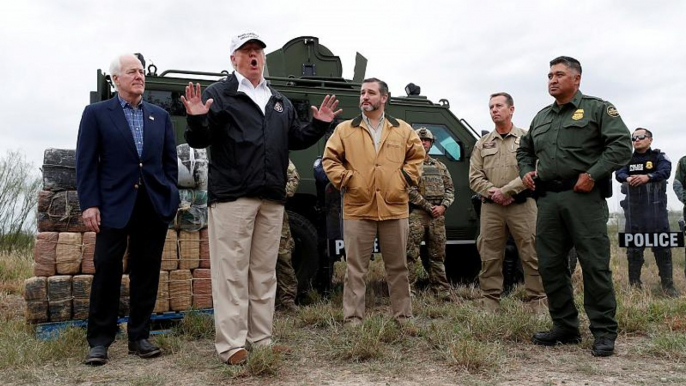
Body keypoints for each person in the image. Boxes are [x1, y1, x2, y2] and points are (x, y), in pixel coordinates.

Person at [182, 32, 341, 365]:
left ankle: (261, 339)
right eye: (246, 51)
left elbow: (294, 138)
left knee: (264, 272)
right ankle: (231, 345)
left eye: (257, 51)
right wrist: (197, 117)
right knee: (232, 273)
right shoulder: (219, 95)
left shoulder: (277, 99)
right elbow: (201, 139)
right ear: (233, 59)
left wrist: (318, 125)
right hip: (233, 199)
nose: (253, 55)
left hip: (272, 198)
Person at [517, 56, 632, 357]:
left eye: (559, 75)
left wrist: (593, 174)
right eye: (549, 75)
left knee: (594, 266)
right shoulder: (541, 117)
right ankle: (565, 327)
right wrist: (526, 170)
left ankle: (604, 332)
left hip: (584, 198)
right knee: (550, 265)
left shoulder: (597, 108)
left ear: (576, 79)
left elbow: (621, 146)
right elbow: (524, 150)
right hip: (549, 200)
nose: (552, 80)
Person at [76, 53, 180, 365]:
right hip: (112, 206)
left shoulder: (159, 116)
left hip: (152, 206)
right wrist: (90, 204)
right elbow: (86, 164)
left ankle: (139, 337)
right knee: (106, 270)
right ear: (116, 79)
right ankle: (100, 341)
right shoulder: (96, 114)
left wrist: (170, 196)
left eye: (140, 72)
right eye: (131, 72)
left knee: (146, 272)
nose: (139, 76)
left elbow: (168, 164)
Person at [323, 77, 425, 326]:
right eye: (362, 93)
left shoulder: (402, 129)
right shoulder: (345, 129)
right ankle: (353, 319)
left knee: (398, 267)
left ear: (384, 98)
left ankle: (404, 317)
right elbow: (330, 160)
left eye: (370, 93)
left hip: (394, 206)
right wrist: (348, 180)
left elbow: (417, 157)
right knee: (355, 269)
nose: (364, 97)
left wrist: (402, 179)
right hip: (358, 207)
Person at [469, 92, 546, 312]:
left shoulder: (526, 138)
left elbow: (535, 168)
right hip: (492, 207)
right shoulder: (482, 143)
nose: (494, 110)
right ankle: (490, 305)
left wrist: (508, 191)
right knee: (489, 255)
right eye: (491, 107)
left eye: (499, 106)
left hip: (522, 205)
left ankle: (539, 303)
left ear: (511, 109)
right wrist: (494, 192)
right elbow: (474, 177)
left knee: (532, 253)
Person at [615, 128, 678, 296]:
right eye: (633, 138)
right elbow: (619, 173)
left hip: (656, 212)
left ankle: (668, 286)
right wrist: (628, 178)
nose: (636, 140)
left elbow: (665, 171)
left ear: (650, 139)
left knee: (662, 248)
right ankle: (635, 286)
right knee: (634, 250)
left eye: (640, 137)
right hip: (634, 212)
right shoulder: (627, 158)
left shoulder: (659, 157)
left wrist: (647, 177)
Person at [406, 127, 454, 300]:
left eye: (426, 140)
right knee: (410, 255)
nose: (423, 142)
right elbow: (409, 190)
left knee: (437, 255)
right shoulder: (409, 165)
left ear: (431, 143)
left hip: (437, 217)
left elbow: (450, 189)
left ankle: (441, 291)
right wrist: (427, 206)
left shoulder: (440, 166)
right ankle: (409, 291)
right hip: (417, 215)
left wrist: (443, 207)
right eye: (420, 139)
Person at [276, 160, 300, 312]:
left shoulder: (275, 151)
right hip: (249, 210)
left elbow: (294, 177)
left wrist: (279, 193)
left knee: (283, 257)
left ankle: (287, 300)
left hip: (275, 211)